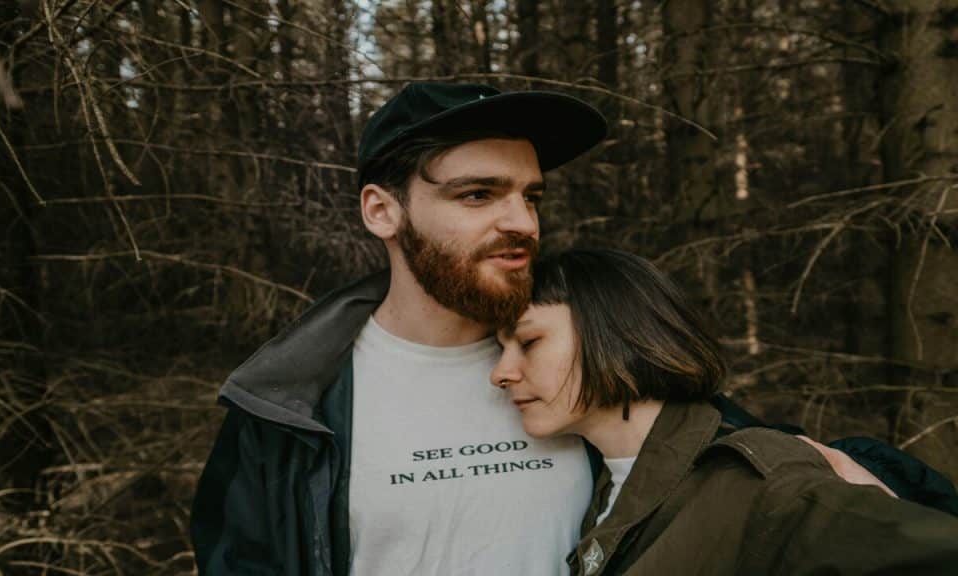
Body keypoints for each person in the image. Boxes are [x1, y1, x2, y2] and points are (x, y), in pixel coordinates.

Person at [191, 82, 902, 575]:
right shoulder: (288, 413)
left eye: (530, 195)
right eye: (478, 194)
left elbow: (749, 471)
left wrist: (881, 485)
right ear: (383, 212)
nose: (521, 222)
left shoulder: (575, 365)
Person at [492, 248, 958, 576]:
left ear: (613, 334)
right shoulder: (599, 491)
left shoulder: (761, 480)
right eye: (500, 350)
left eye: (528, 342)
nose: (501, 372)